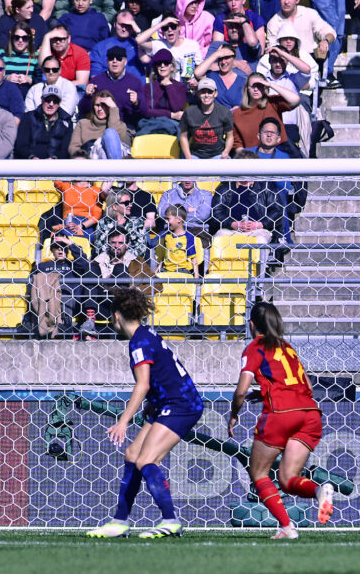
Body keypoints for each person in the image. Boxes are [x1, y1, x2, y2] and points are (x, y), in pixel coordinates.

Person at [86, 286, 202, 539]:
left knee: (146, 460)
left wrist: (123, 421)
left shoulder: (139, 341)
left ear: (116, 316)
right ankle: (120, 521)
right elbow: (162, 373)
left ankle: (170, 520)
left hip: (180, 404)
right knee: (132, 454)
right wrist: (153, 401)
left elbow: (143, 383)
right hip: (166, 402)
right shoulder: (146, 333)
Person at [228, 301, 334, 539]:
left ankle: (287, 527)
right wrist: (266, 391)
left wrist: (234, 413)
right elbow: (307, 384)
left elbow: (241, 390)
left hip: (281, 414)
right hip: (309, 414)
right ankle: (319, 491)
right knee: (287, 480)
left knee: (259, 473)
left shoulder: (254, 347)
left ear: (252, 324)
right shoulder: (287, 348)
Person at [265, 0, 337, 87]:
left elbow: (329, 32)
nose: (286, 2)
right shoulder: (273, 22)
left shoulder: (310, 14)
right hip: (284, 64)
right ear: (279, 0)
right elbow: (271, 49)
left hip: (310, 61)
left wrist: (325, 41)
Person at [209, 153, 282, 244]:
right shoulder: (224, 188)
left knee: (261, 241)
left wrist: (259, 224)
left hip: (258, 231)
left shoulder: (266, 187)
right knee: (219, 239)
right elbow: (216, 213)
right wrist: (233, 224)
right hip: (230, 230)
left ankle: (261, 259)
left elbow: (277, 211)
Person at [79, 46, 144, 129]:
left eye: (119, 58)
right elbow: (82, 109)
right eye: (111, 58)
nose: (114, 61)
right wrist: (88, 97)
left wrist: (136, 103)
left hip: (124, 127)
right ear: (107, 61)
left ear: (125, 62)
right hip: (99, 126)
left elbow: (143, 113)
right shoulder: (96, 81)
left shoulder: (135, 82)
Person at [232, 72, 299, 149]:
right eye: (253, 86)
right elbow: (238, 143)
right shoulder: (238, 113)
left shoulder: (273, 102)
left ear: (265, 88)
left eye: (259, 86)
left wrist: (270, 85)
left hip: (278, 151)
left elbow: (295, 100)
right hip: (253, 155)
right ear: (247, 88)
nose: (256, 89)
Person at [179, 78, 234, 159]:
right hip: (195, 155)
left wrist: (226, 152)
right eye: (203, 92)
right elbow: (183, 136)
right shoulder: (189, 112)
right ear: (198, 93)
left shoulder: (224, 112)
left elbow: (230, 136)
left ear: (215, 93)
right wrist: (188, 157)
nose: (206, 95)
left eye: (209, 92)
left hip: (218, 155)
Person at [13, 85, 73, 159]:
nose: (51, 104)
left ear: (59, 103)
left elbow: (65, 148)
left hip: (56, 165)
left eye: (55, 101)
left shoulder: (67, 121)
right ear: (42, 99)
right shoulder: (28, 117)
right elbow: (21, 145)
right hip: (30, 163)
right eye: (48, 100)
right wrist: (31, 157)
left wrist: (54, 158)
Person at [136, 16, 203, 81]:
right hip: (166, 88)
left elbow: (200, 68)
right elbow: (139, 40)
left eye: (173, 26)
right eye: (165, 28)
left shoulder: (192, 45)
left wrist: (196, 82)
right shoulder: (159, 44)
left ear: (179, 27)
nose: (169, 30)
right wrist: (161, 24)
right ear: (162, 31)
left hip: (188, 88)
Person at [68, 90, 127, 158]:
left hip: (111, 158)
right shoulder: (82, 124)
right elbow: (73, 148)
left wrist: (114, 108)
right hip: (90, 160)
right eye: (97, 105)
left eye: (104, 105)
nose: (100, 109)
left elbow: (115, 142)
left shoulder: (121, 126)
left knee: (110, 132)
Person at [92, 188, 149, 259]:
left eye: (130, 202)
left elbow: (141, 248)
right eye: (126, 203)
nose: (130, 205)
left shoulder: (137, 223)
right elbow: (99, 247)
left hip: (130, 262)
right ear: (115, 206)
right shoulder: (103, 223)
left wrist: (122, 258)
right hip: (108, 261)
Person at [157, 180, 213, 246]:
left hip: (196, 230)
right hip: (171, 230)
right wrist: (186, 209)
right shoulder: (168, 194)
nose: (187, 180)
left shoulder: (205, 194)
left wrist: (173, 213)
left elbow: (203, 215)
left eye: (190, 176)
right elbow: (161, 213)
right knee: (154, 244)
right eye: (185, 176)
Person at [0, 21, 42, 98]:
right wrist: (6, 78)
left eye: (25, 38)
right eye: (17, 37)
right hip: (4, 95)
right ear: (12, 38)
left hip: (26, 96)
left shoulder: (35, 57)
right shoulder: (2, 54)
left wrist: (29, 80)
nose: (20, 40)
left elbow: (40, 81)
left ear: (29, 39)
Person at [193, 44, 246, 108]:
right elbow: (197, 73)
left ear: (234, 58)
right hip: (215, 117)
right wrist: (216, 54)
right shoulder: (211, 76)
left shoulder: (243, 81)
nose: (223, 62)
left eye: (227, 58)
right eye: (220, 58)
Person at [155, 205, 201, 276]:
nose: (166, 222)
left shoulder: (188, 237)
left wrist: (196, 278)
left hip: (182, 271)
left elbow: (193, 259)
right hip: (166, 270)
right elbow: (162, 258)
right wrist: (156, 271)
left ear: (179, 219)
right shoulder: (167, 236)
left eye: (168, 219)